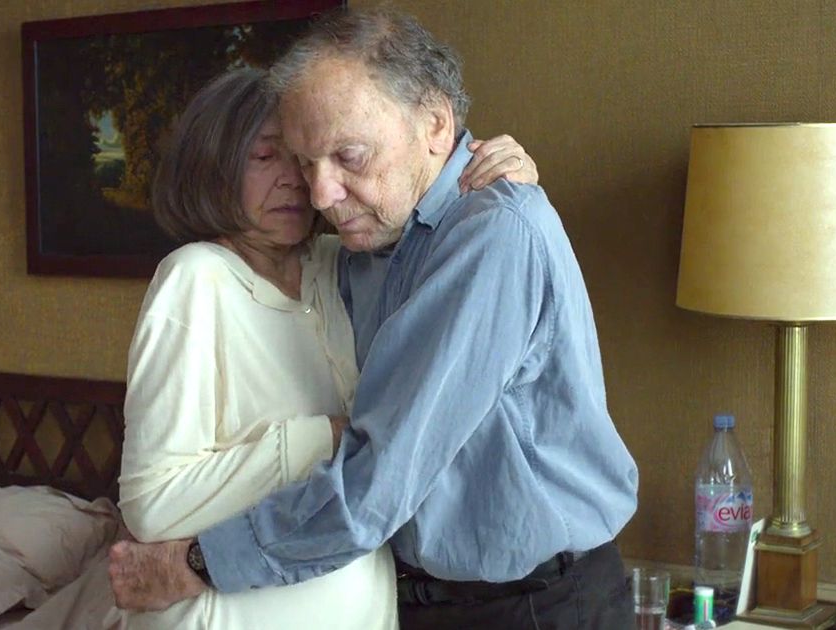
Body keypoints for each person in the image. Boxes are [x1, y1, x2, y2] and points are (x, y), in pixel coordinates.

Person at [108, 9, 639, 630]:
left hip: (530, 606)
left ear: (436, 124)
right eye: (305, 164)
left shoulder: (490, 234)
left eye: (349, 157)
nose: (319, 193)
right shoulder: (349, 254)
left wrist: (193, 565)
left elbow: (375, 483)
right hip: (419, 603)